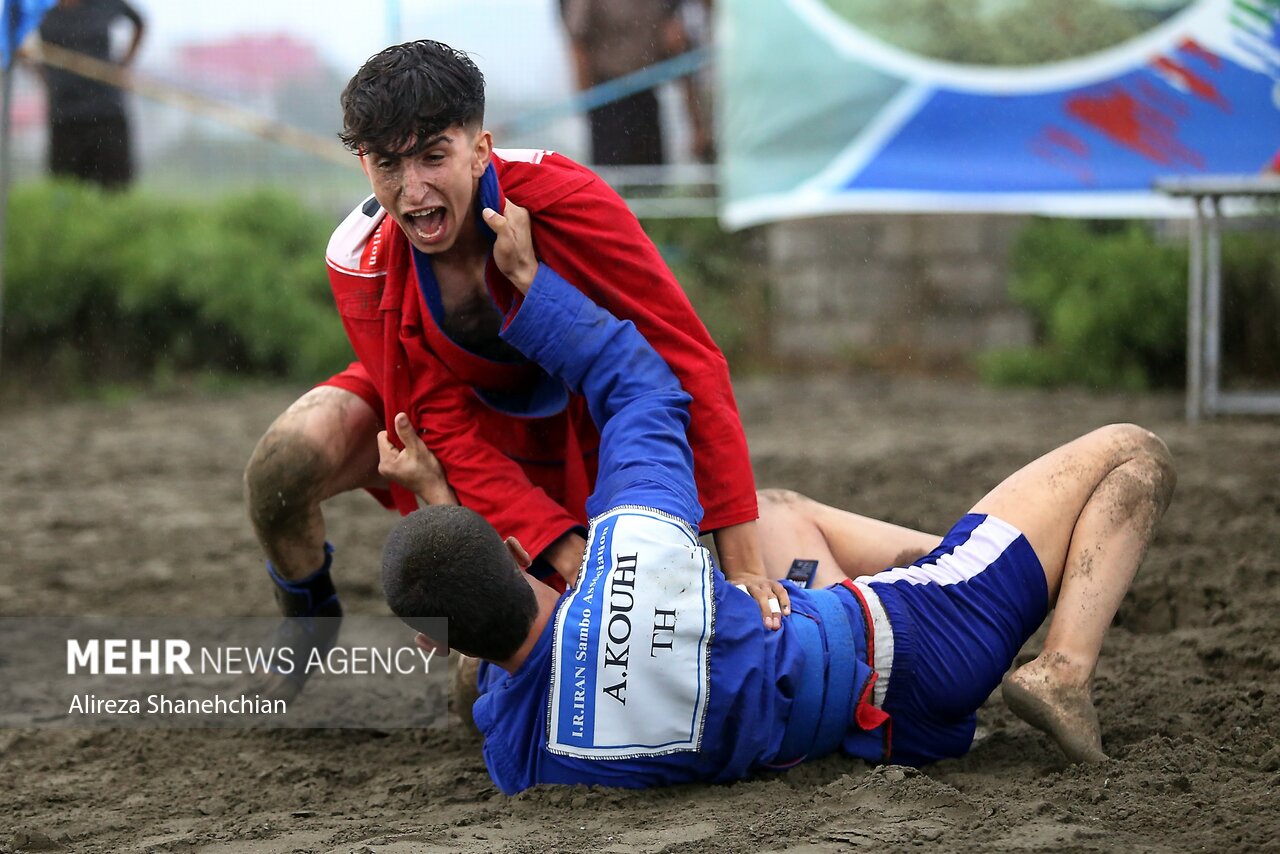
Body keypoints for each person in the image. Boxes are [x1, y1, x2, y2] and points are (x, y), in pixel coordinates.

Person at [379, 201, 1176, 792]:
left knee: (781, 508)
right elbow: (644, 388)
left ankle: (979, 563)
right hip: (919, 643)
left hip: (873, 733)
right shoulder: (635, 554)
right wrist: (532, 287)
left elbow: (499, 678)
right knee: (1131, 455)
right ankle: (1062, 668)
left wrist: (436, 502)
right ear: (519, 553)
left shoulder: (519, 758)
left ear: (452, 647)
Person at [244, 40, 790, 697]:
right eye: (388, 163)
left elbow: (686, 361)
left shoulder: (570, 204)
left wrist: (743, 566)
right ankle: (306, 621)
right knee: (279, 469)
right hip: (442, 423)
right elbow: (429, 427)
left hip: (574, 423)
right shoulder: (361, 259)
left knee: (510, 681)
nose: (412, 189)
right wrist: (551, 546)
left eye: (433, 156)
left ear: (480, 149)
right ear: (364, 163)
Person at [561, 0, 709, 165]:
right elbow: (578, 43)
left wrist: (697, 124)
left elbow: (677, 43)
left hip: (646, 93)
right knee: (613, 174)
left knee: (648, 175)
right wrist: (587, 102)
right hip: (607, 98)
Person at [36, 0, 145, 189]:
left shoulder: (104, 4)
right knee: (65, 189)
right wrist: (41, 74)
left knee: (115, 188)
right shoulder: (41, 10)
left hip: (106, 112)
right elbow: (17, 39)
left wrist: (125, 64)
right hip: (65, 115)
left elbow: (139, 22)